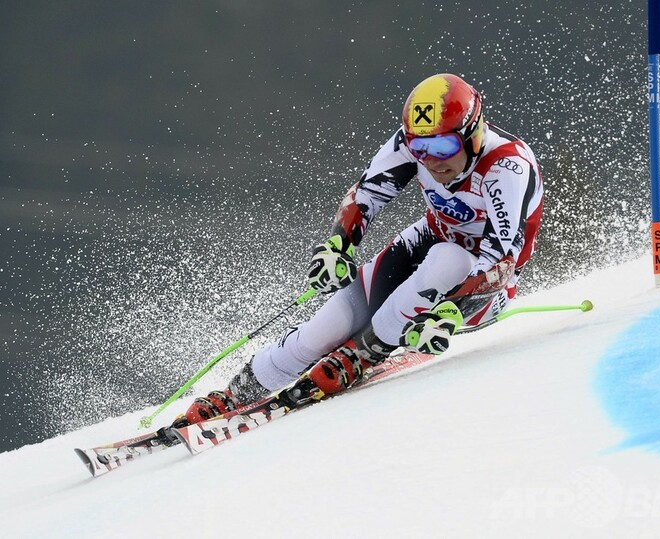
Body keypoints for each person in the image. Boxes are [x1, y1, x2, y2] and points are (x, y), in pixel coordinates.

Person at [176, 73, 544, 425]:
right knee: (325, 328)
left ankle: (361, 354)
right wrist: (337, 246)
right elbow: (366, 194)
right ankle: (238, 392)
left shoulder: (507, 166)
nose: (431, 159)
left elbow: (500, 262)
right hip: (430, 240)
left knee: (447, 258)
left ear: (473, 135)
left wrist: (451, 311)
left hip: (484, 292)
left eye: (443, 146)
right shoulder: (411, 145)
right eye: (420, 148)